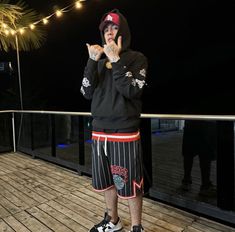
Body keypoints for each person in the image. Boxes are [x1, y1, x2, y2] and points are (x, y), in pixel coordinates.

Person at [80, 9, 147, 232]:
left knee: (131, 183)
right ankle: (113, 221)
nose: (109, 33)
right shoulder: (97, 61)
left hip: (125, 132)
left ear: (123, 32)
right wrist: (91, 61)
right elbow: (85, 92)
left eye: (114, 28)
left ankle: (137, 226)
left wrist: (116, 59)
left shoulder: (137, 58)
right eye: (106, 29)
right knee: (107, 181)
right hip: (99, 131)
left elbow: (132, 90)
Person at [180, 120, 217, 197]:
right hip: (206, 123)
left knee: (188, 154)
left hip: (191, 121)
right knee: (205, 155)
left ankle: (186, 181)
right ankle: (205, 186)